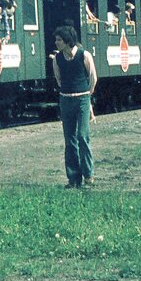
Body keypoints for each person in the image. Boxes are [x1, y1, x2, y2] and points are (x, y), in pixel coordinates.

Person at [52, 25, 97, 188]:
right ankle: (73, 178)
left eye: (59, 40)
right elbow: (59, 79)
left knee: (83, 136)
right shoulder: (57, 59)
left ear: (67, 41)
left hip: (82, 99)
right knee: (69, 140)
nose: (56, 43)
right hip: (66, 99)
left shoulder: (84, 55)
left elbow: (92, 77)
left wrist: (87, 96)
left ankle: (88, 175)